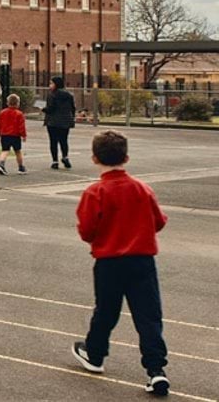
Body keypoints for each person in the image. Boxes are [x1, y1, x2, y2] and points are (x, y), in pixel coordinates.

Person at [71, 131, 170, 397]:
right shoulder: (142, 189)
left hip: (109, 261)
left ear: (94, 158)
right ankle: (156, 369)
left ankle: (95, 353)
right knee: (148, 316)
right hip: (142, 259)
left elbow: (86, 231)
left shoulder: (95, 192)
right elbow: (158, 221)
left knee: (106, 311)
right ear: (126, 157)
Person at [44, 75, 77, 170]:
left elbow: (51, 109)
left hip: (53, 121)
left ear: (56, 84)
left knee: (53, 141)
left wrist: (43, 109)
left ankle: (55, 161)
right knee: (64, 140)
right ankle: (65, 156)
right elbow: (72, 108)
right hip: (65, 120)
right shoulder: (69, 95)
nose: (50, 85)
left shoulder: (52, 95)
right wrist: (71, 117)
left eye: (51, 83)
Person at [0, 93, 28, 174]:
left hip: (5, 135)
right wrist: (23, 135)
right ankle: (21, 167)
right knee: (18, 151)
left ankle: (1, 164)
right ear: (18, 103)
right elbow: (21, 126)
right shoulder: (19, 114)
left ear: (7, 103)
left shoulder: (3, 112)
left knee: (5, 150)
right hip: (15, 135)